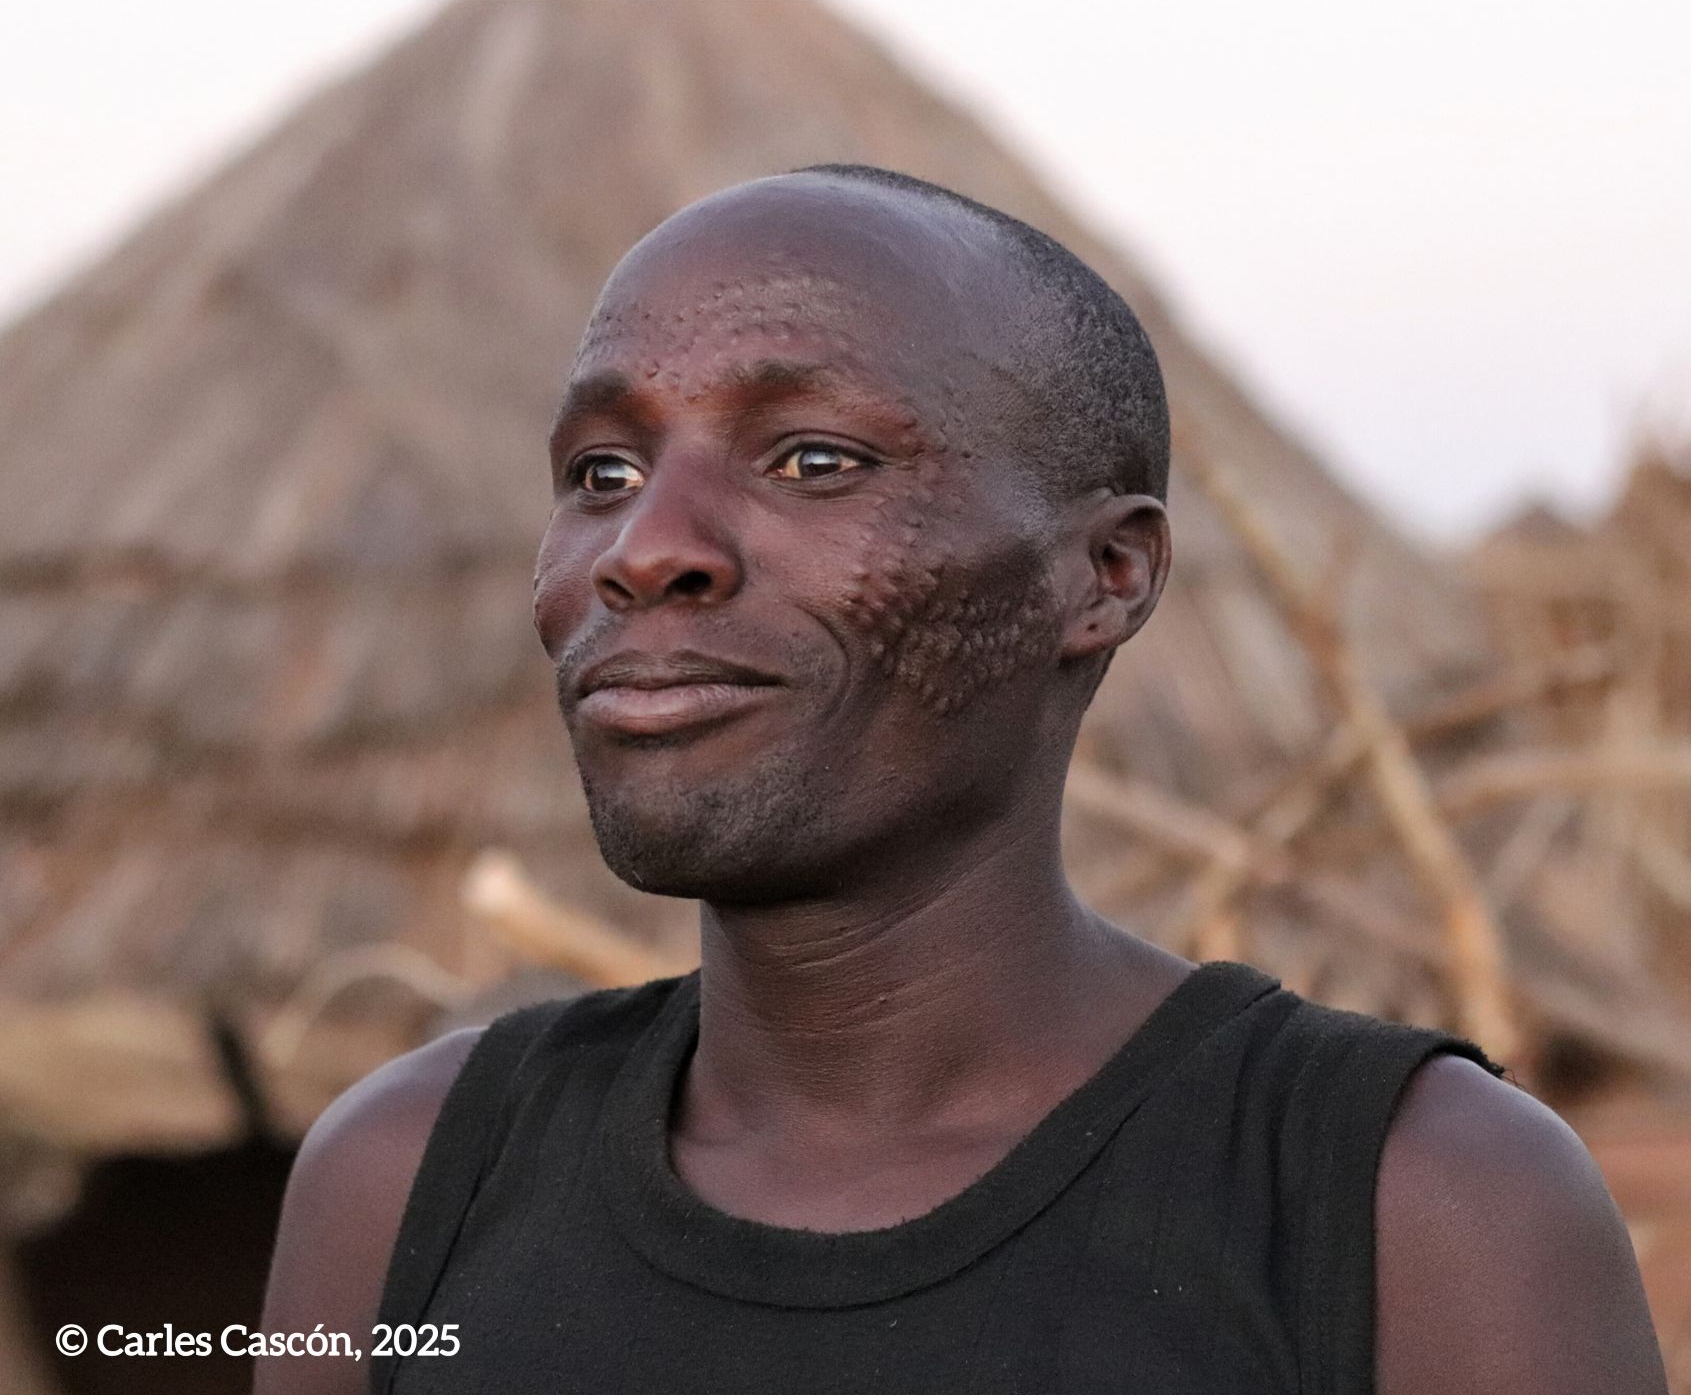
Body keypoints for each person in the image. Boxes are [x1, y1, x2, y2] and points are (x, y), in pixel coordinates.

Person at [257, 166, 1668, 1395]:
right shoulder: (408, 1186)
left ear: (1105, 576)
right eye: (602, 468)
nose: (645, 546)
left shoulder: (1414, 1213)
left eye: (814, 460)